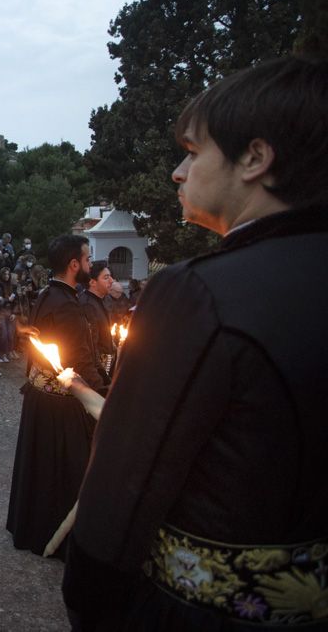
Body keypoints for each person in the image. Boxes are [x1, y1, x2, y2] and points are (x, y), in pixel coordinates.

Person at [63, 56, 328, 631]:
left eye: (194, 151)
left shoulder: (198, 293)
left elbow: (130, 472)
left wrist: (89, 595)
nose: (179, 173)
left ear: (255, 158)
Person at [6, 234, 103, 557]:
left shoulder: (49, 294)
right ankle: (55, 535)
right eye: (89, 260)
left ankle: (33, 527)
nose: (90, 264)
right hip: (59, 403)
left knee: (42, 466)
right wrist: (103, 397)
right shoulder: (67, 305)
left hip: (40, 396)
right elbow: (79, 359)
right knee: (65, 469)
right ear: (75, 264)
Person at [78, 260, 115, 384]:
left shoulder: (102, 300)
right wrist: (102, 376)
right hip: (97, 370)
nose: (112, 281)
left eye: (110, 276)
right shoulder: (88, 305)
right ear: (92, 282)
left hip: (105, 365)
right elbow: (90, 344)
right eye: (106, 278)